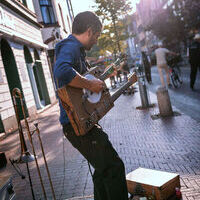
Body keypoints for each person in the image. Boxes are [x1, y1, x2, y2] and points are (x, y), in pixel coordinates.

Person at [53, 11, 128, 200]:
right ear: (89, 31)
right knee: (113, 167)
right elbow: (61, 71)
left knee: (102, 170)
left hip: (78, 124)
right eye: (96, 36)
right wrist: (90, 84)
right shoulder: (70, 46)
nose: (95, 41)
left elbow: (81, 89)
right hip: (74, 126)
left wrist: (95, 83)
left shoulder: (76, 50)